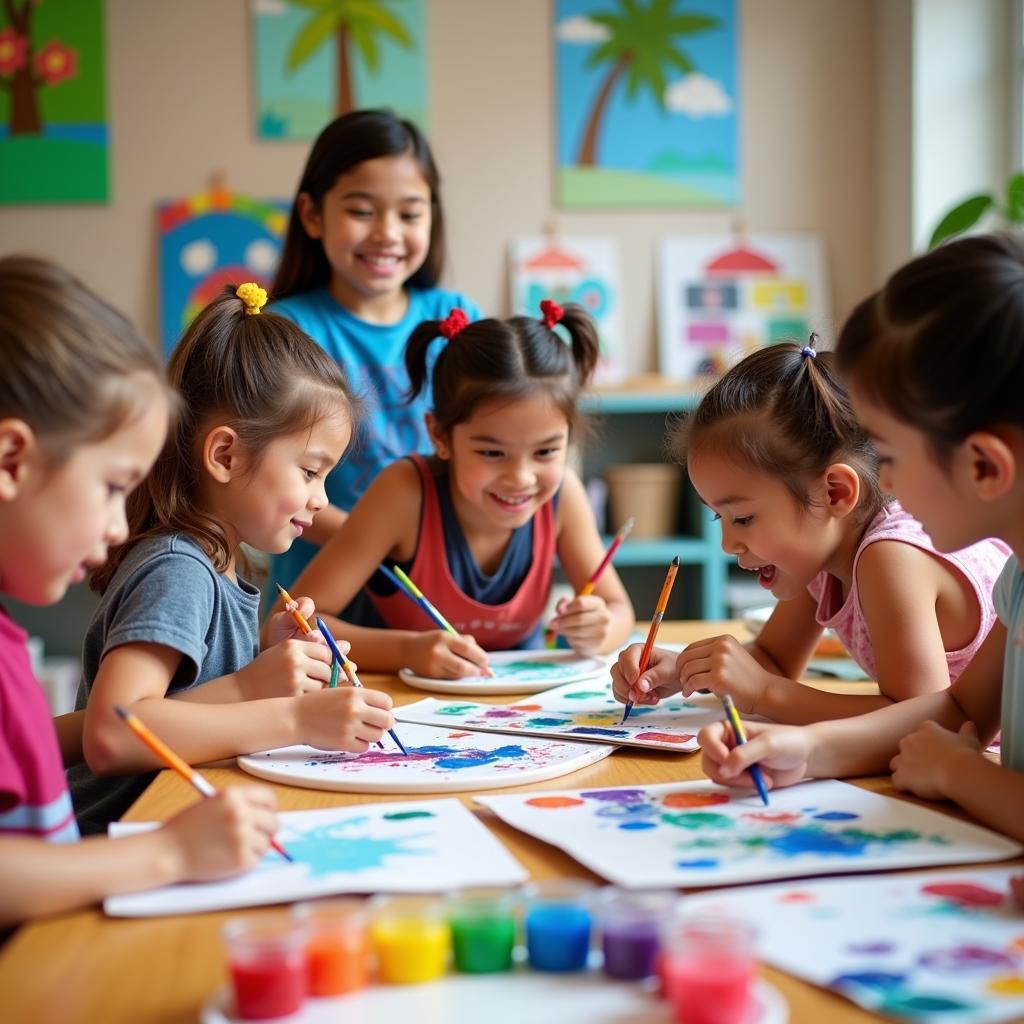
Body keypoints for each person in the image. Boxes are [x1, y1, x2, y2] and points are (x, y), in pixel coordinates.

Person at [698, 233, 1024, 846]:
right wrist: (805, 750)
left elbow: (951, 739)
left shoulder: (892, 549)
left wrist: (960, 773)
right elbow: (958, 714)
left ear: (983, 466)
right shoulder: (1019, 580)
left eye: (892, 455)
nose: (887, 485)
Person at [0, 257, 280, 925]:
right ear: (12, 460)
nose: (120, 525)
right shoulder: (178, 564)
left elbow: (34, 741)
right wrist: (168, 854)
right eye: (110, 487)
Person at [71, 284, 395, 834]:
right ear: (226, 455)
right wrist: (288, 713)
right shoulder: (178, 569)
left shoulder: (218, 562)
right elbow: (114, 733)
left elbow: (188, 702)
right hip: (122, 832)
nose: (320, 499)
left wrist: (267, 663)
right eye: (310, 472)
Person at [613, 335, 1008, 725]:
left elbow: (923, 722)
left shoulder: (891, 557)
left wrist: (763, 694)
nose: (728, 544)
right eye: (720, 517)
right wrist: (683, 668)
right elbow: (775, 660)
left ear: (835, 493)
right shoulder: (819, 554)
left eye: (743, 518)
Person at [275, 301, 636, 678]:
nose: (521, 477)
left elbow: (618, 608)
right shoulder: (405, 493)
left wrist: (601, 628)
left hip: (518, 712)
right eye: (492, 452)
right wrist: (409, 650)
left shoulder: (564, 495)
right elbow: (295, 623)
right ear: (440, 435)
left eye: (546, 451)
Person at [269, 109, 482, 591]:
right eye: (362, 211)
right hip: (320, 595)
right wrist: (372, 540)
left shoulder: (458, 318)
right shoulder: (286, 329)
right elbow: (271, 472)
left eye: (409, 214)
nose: (387, 232)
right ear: (312, 215)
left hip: (440, 585)